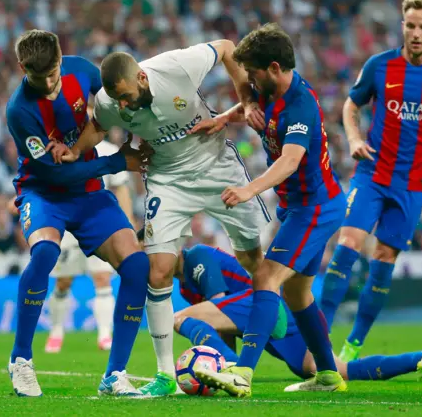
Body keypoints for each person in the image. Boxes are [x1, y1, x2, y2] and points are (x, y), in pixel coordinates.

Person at [61, 38, 281, 397]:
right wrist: (74, 152)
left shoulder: (177, 66)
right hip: (167, 179)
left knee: (254, 262)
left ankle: (255, 355)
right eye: (119, 100)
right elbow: (98, 128)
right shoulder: (108, 101)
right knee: (158, 270)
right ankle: (165, 376)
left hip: (216, 168)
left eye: (128, 96)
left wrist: (247, 99)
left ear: (143, 78)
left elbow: (226, 47)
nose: (125, 106)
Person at [319, 0, 422, 362]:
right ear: (402, 26)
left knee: (383, 258)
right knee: (346, 244)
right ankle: (320, 339)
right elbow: (351, 104)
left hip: (412, 184)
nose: (416, 33)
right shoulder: (379, 66)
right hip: (372, 173)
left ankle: (354, 344)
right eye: (410, 25)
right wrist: (356, 139)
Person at [193, 23, 348, 396]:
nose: (248, 80)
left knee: (264, 277)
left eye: (254, 73)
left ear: (275, 68)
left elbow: (291, 160)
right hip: (301, 208)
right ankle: (328, 375)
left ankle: (242, 374)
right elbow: (250, 106)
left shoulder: (300, 104)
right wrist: (224, 118)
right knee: (297, 295)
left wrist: (250, 189)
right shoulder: (269, 91)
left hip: (316, 208)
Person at [5, 29, 149, 397]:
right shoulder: (20, 111)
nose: (51, 83)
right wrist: (117, 161)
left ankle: (115, 375)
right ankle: (21, 360)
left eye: (54, 71)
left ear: (61, 56)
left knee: (136, 266)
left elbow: (116, 105)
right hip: (43, 192)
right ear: (23, 68)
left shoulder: (83, 70)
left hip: (87, 193)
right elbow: (55, 171)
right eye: (42, 78)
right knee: (46, 253)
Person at [161, 234, 422, 387]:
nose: (152, 264)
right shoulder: (185, 283)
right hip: (279, 309)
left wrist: (224, 363)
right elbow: (225, 322)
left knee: (181, 317)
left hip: (265, 303)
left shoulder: (196, 257)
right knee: (332, 370)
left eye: (154, 255)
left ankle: (229, 369)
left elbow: (220, 307)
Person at [45, 139, 135, 354]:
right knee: (63, 282)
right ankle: (56, 331)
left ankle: (105, 334)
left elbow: (120, 188)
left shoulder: (108, 150)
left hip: (99, 223)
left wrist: (127, 222)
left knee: (103, 277)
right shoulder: (60, 148)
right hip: (67, 224)